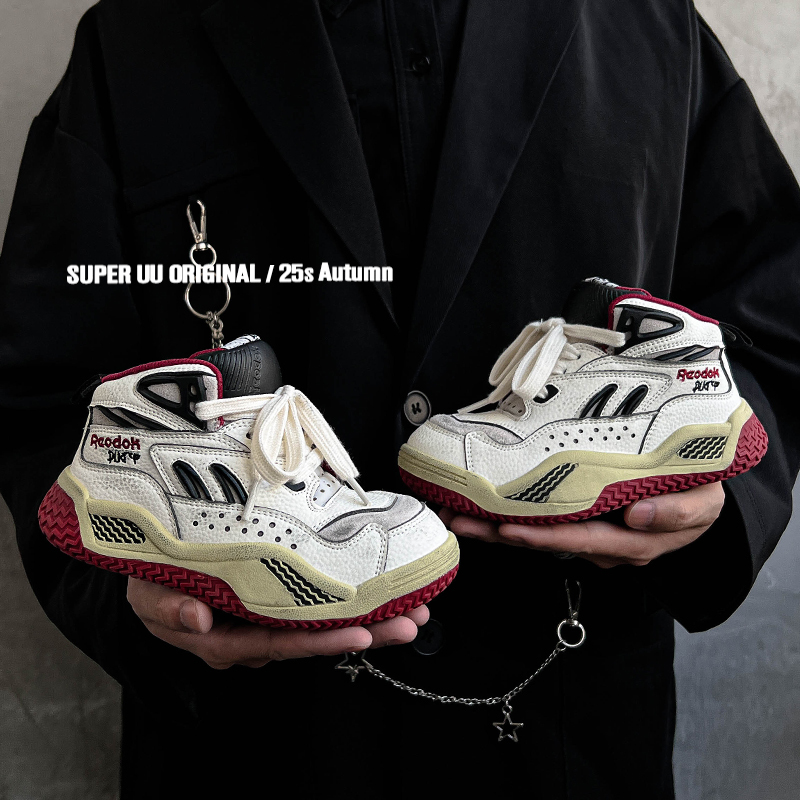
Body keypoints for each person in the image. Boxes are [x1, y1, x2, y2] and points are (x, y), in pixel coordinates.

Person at [1, 1, 798, 797]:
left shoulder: (646, 26)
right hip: (255, 746)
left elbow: (774, 320)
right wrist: (132, 593)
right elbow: (41, 392)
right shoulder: (135, 42)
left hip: (564, 736)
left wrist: (714, 494)